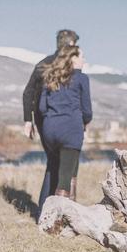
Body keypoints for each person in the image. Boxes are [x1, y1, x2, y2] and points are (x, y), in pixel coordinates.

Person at [22, 30, 79, 220]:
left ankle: (46, 211)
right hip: (61, 122)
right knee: (60, 166)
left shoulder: (43, 63)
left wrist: (28, 120)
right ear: (70, 43)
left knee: (53, 164)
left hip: (45, 122)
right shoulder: (70, 64)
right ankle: (54, 213)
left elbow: (27, 93)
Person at [38, 45, 92, 201]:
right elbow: (87, 110)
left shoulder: (50, 77)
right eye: (82, 56)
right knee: (66, 179)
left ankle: (47, 213)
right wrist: (84, 123)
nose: (84, 59)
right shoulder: (81, 78)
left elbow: (42, 108)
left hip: (50, 130)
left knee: (54, 170)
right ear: (73, 58)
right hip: (70, 130)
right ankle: (59, 221)